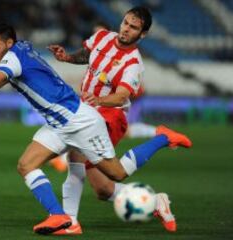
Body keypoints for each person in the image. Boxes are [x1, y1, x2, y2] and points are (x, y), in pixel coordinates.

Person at [0, 23, 191, 235]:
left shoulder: (13, 58)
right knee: (27, 164)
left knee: (116, 174)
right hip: (58, 123)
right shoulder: (23, 48)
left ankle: (162, 138)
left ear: (8, 43)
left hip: (80, 121)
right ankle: (63, 218)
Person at [48, 7, 179, 234]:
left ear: (143, 34)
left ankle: (69, 221)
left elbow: (121, 96)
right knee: (103, 188)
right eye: (125, 23)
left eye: (133, 27)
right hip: (88, 109)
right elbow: (88, 54)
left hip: (111, 115)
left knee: (76, 152)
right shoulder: (102, 37)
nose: (126, 29)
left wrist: (98, 99)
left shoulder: (133, 63)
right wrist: (67, 57)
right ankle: (155, 202)